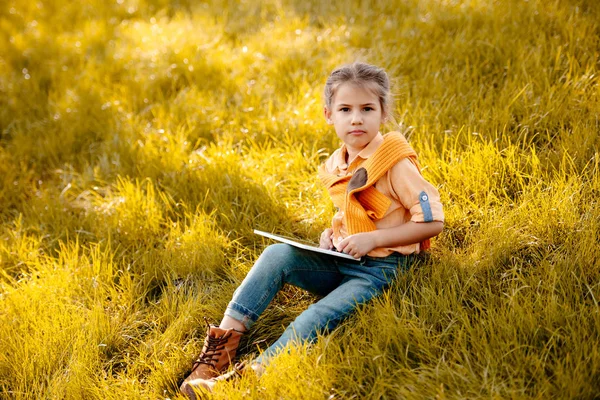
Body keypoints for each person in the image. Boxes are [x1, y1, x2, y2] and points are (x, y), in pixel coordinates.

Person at [179, 62, 444, 398]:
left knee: (314, 315)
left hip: (384, 268)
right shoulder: (338, 162)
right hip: (347, 257)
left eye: (367, 109)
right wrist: (332, 235)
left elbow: (433, 221)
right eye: (345, 109)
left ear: (384, 112)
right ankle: (220, 350)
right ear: (329, 115)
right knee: (277, 255)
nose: (356, 119)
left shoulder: (395, 161)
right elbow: (355, 211)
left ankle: (245, 379)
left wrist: (373, 239)